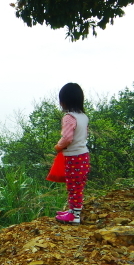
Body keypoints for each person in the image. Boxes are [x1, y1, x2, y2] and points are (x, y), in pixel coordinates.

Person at [54, 82, 90, 225]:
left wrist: (58, 146)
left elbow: (68, 138)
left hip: (73, 157)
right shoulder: (83, 116)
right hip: (84, 155)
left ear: (64, 101)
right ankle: (72, 211)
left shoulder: (69, 117)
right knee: (77, 185)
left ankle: (74, 216)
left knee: (73, 186)